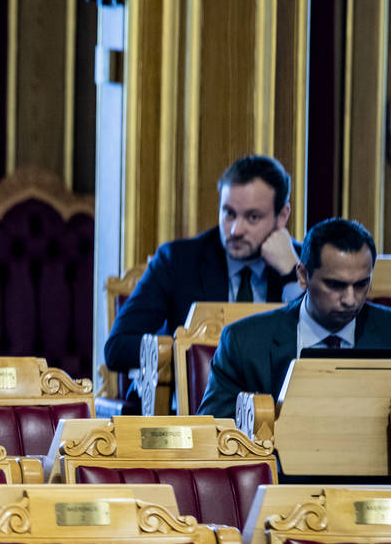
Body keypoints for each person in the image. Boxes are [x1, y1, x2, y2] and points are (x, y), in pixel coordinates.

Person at [104, 155, 302, 386]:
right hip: (191, 412)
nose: (236, 230)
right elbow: (117, 347)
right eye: (229, 213)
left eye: (253, 217)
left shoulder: (305, 262)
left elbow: (319, 349)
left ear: (282, 215)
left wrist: (291, 272)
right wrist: (180, 350)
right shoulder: (178, 261)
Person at [198, 217, 391, 418]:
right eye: (335, 285)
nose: (350, 300)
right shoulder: (243, 343)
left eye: (361, 285)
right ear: (302, 276)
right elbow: (214, 432)